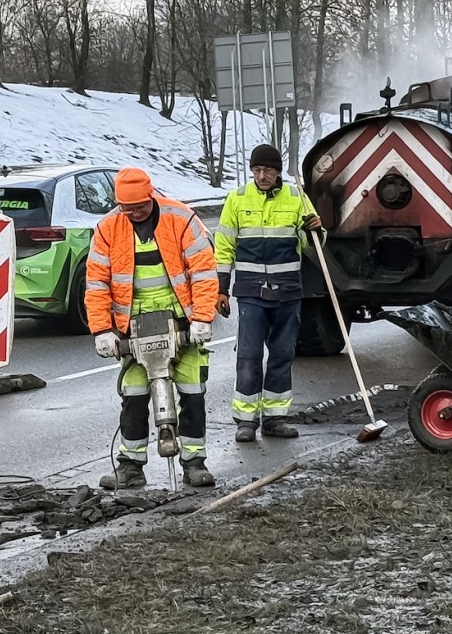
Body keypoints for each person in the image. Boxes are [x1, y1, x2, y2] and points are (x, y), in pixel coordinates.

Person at [86, 167, 221, 490]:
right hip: (132, 326)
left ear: (151, 195)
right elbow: (97, 283)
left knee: (192, 392)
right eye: (127, 209)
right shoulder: (108, 229)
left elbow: (202, 270)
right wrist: (102, 330)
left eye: (140, 207)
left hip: (181, 320)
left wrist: (202, 319)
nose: (134, 213)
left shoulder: (180, 218)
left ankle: (194, 462)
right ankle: (130, 466)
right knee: (133, 395)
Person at [214, 143, 323, 442]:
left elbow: (314, 247)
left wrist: (315, 230)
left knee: (282, 354)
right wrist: (221, 289)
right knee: (248, 356)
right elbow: (224, 247)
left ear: (278, 172)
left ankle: (275, 419)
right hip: (250, 292)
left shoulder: (297, 198)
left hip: (288, 291)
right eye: (257, 170)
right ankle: (246, 422)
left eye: (268, 171)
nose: (262, 176)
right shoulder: (236, 199)